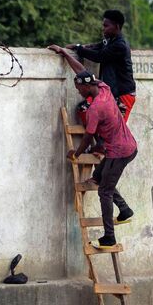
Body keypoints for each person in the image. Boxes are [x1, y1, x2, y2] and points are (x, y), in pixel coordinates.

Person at [62, 69, 138, 249]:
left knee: (104, 191)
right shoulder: (104, 88)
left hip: (119, 152)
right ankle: (124, 210)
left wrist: (76, 153)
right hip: (128, 147)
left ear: (87, 85)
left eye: (79, 88)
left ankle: (109, 237)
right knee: (98, 176)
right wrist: (65, 53)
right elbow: (81, 70)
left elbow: (88, 137)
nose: (78, 92)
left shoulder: (95, 108)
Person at [66, 9, 136, 122]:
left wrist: (79, 49)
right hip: (110, 93)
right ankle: (99, 138)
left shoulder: (120, 45)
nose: (103, 28)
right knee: (84, 109)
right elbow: (96, 46)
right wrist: (78, 46)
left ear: (117, 26)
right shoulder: (110, 41)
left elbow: (99, 56)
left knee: (115, 129)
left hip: (123, 95)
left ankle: (104, 138)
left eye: (106, 26)